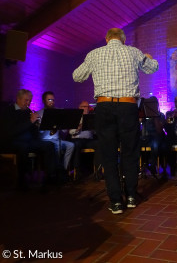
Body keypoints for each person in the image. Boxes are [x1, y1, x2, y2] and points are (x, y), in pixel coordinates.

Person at [72, 28, 158, 214]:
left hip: (104, 107)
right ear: (123, 40)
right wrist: (148, 57)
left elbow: (77, 76)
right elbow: (153, 68)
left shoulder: (94, 54)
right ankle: (132, 196)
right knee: (130, 152)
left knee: (109, 154)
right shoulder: (133, 52)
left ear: (107, 39)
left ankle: (116, 201)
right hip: (128, 107)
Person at [0, 89, 56, 190]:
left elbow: (33, 132)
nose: (28, 103)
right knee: (23, 147)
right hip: (12, 141)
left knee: (49, 145)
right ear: (18, 99)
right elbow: (11, 131)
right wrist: (30, 122)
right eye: (26, 100)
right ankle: (22, 180)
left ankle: (49, 177)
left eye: (30, 101)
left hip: (28, 141)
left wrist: (37, 125)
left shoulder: (28, 112)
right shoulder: (8, 111)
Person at [38, 91, 75, 174]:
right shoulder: (39, 113)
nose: (52, 102)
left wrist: (65, 124)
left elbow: (64, 130)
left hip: (57, 139)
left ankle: (64, 169)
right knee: (56, 148)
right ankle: (56, 170)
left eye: (53, 100)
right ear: (44, 101)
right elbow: (39, 132)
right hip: (45, 140)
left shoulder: (57, 112)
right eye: (49, 100)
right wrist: (45, 124)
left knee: (71, 145)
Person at [69, 101, 100, 179]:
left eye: (87, 107)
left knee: (99, 144)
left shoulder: (91, 117)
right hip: (77, 139)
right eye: (84, 107)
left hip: (88, 140)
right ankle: (77, 171)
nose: (86, 109)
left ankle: (97, 170)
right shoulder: (75, 117)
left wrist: (94, 128)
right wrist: (78, 128)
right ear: (79, 108)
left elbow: (95, 132)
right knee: (77, 145)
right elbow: (70, 132)